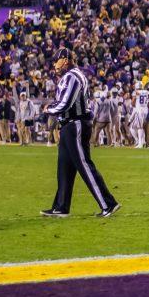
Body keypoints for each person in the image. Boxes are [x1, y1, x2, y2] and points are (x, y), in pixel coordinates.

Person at [40, 48, 120, 219]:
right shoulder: (70, 77)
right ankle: (61, 207)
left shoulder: (73, 76)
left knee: (84, 165)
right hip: (69, 125)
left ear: (66, 59)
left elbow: (65, 104)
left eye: (58, 60)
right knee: (64, 167)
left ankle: (108, 204)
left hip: (76, 124)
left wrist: (49, 109)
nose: (55, 64)